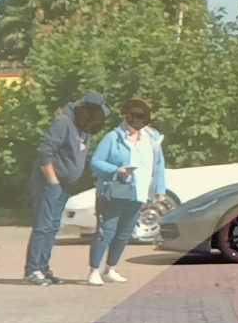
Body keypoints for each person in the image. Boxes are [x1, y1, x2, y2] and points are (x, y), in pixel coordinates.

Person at [26, 92, 108, 285]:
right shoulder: (63, 122)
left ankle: (43, 268)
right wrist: (52, 180)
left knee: (54, 225)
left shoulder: (83, 126)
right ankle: (33, 270)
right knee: (44, 225)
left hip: (64, 183)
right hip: (49, 182)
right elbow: (45, 152)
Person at [87, 97, 165, 286]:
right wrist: (116, 170)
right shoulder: (113, 137)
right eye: (133, 116)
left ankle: (111, 269)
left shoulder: (152, 138)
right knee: (106, 231)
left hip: (139, 192)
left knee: (124, 233)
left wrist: (159, 190)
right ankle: (94, 271)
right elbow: (95, 162)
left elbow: (159, 165)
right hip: (114, 192)